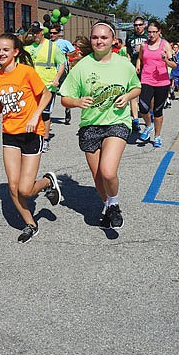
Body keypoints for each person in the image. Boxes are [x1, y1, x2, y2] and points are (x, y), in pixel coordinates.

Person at [60, 21, 141, 230]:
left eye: (104, 37)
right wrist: (77, 102)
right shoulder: (83, 66)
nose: (99, 41)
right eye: (95, 37)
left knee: (107, 171)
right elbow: (65, 98)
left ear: (113, 40)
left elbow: (136, 87)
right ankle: (107, 205)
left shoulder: (124, 64)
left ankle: (114, 204)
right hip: (90, 126)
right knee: (98, 178)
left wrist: (127, 96)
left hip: (117, 122)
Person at [0, 33, 62, 243]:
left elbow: (46, 94)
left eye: (6, 49)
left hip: (31, 133)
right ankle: (31, 224)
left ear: (15, 52)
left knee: (25, 189)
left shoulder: (26, 72)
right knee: (12, 186)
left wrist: (36, 116)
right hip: (9, 133)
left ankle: (47, 182)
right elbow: (2, 103)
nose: (1, 53)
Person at [24, 22, 66, 153]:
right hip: (31, 86)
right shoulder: (28, 48)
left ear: (42, 31)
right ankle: (33, 136)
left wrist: (56, 79)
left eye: (37, 32)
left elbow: (62, 63)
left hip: (47, 85)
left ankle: (45, 139)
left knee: (45, 114)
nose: (35, 35)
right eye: (33, 32)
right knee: (31, 112)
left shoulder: (52, 47)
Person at [136, 22, 176, 147]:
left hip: (162, 81)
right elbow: (140, 58)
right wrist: (138, 65)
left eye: (154, 32)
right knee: (143, 106)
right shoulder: (144, 45)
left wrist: (165, 60)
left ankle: (157, 136)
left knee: (158, 111)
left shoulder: (165, 44)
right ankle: (149, 125)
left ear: (159, 32)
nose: (151, 34)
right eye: (149, 32)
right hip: (146, 79)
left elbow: (174, 65)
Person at [49, 24, 76, 125]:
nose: (52, 35)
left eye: (54, 33)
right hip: (51, 70)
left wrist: (65, 55)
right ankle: (47, 115)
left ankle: (67, 110)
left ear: (59, 33)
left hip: (62, 70)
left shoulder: (64, 42)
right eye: (51, 33)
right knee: (50, 93)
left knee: (64, 92)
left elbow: (73, 51)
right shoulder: (47, 43)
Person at [125, 17, 148, 131]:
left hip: (147, 67)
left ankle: (150, 113)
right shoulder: (130, 37)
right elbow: (128, 52)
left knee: (147, 94)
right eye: (135, 25)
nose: (137, 27)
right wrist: (129, 66)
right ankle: (135, 120)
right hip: (134, 67)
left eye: (139, 25)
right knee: (133, 93)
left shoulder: (148, 36)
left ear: (144, 25)